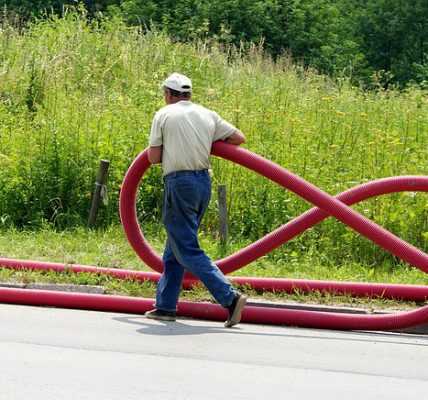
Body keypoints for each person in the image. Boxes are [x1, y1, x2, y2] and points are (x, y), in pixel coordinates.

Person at [145, 72, 247, 327]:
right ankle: (166, 306)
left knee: (186, 247)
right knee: (176, 245)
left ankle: (230, 298)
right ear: (189, 94)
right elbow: (238, 138)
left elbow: (153, 158)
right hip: (203, 183)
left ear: (168, 94)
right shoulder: (207, 114)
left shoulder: (164, 114)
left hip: (179, 183)